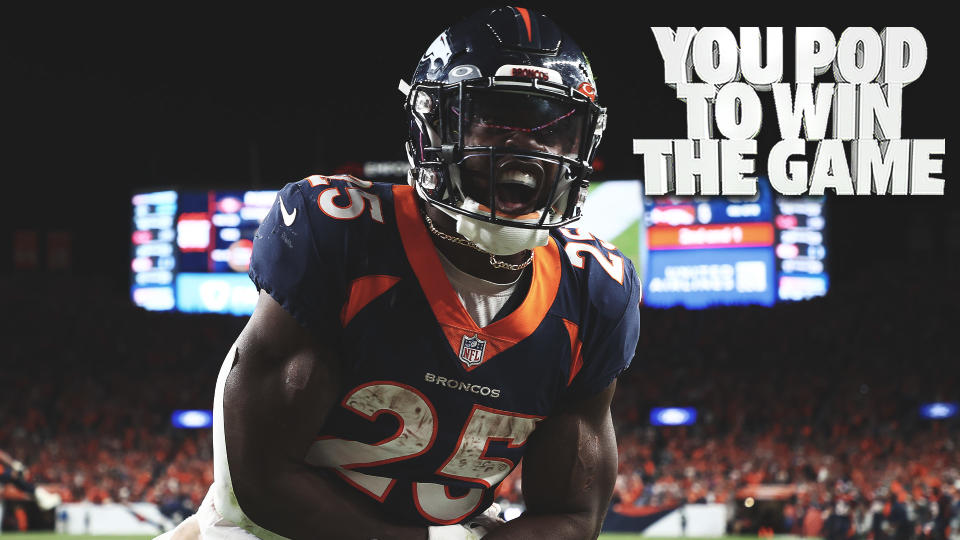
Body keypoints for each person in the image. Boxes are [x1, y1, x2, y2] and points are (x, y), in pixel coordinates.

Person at [162, 6, 639, 539]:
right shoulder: (342, 236)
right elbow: (264, 481)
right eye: (497, 117)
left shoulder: (594, 291)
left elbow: (574, 516)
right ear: (433, 126)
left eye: (553, 129)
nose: (527, 148)